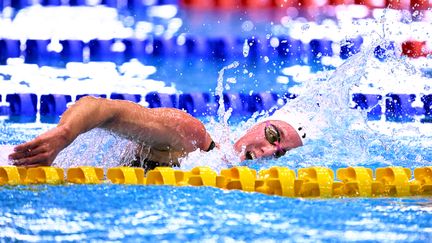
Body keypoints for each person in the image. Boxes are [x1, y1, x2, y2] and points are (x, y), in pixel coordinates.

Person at [8, 96, 305, 171]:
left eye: (279, 153)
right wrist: (64, 135)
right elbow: (102, 108)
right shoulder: (194, 140)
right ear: (258, 124)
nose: (266, 151)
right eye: (272, 135)